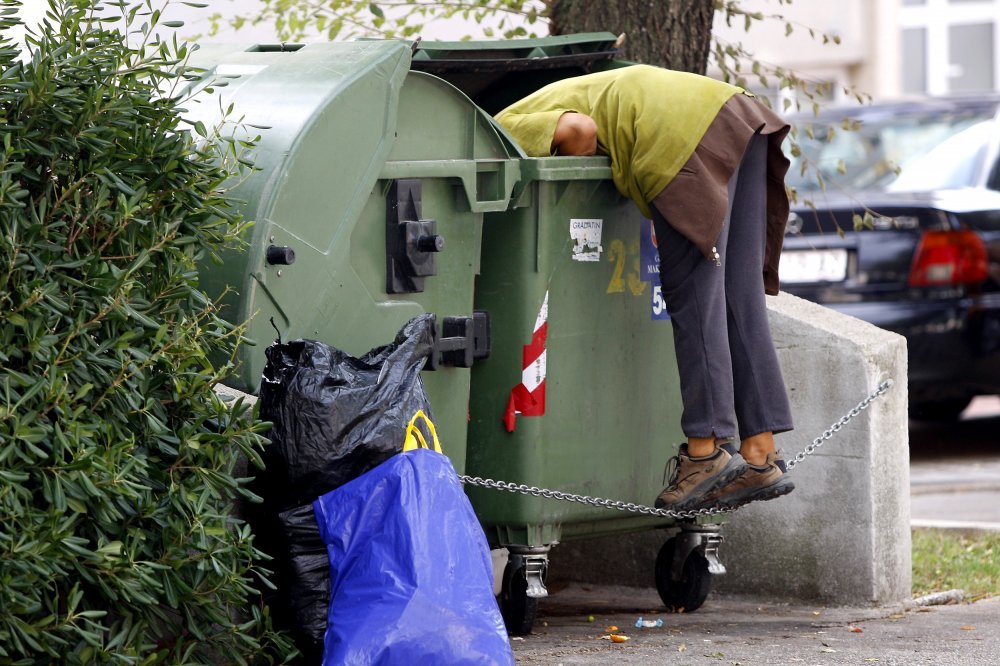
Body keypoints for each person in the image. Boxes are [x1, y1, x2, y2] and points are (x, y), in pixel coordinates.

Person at [495, 64, 795, 512]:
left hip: (680, 135)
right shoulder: (565, 89)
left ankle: (703, 453)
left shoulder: (501, 125)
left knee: (695, 298)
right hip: (740, 117)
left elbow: (578, 131)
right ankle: (759, 451)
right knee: (738, 296)